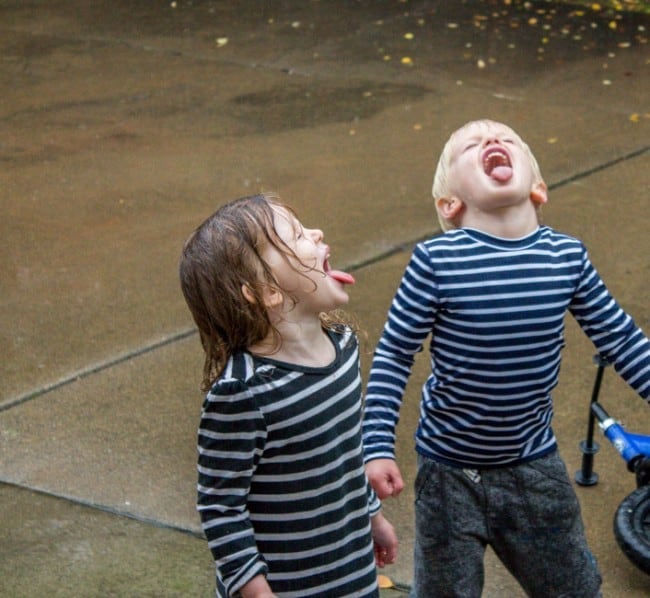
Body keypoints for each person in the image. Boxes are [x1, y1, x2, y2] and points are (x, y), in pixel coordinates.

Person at [362, 119, 650, 597]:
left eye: (506, 139)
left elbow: (621, 338)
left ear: (538, 188)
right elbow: (394, 353)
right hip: (448, 471)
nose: (492, 142)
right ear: (450, 203)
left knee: (573, 588)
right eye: (472, 146)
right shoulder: (436, 261)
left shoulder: (567, 257)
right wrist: (376, 445)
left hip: (533, 465)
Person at [179, 193, 398, 598]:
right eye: (297, 235)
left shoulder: (343, 347)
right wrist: (256, 591)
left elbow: (347, 453)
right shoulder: (243, 392)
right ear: (266, 292)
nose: (316, 233)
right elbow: (221, 507)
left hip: (350, 574)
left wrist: (374, 516)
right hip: (285, 588)